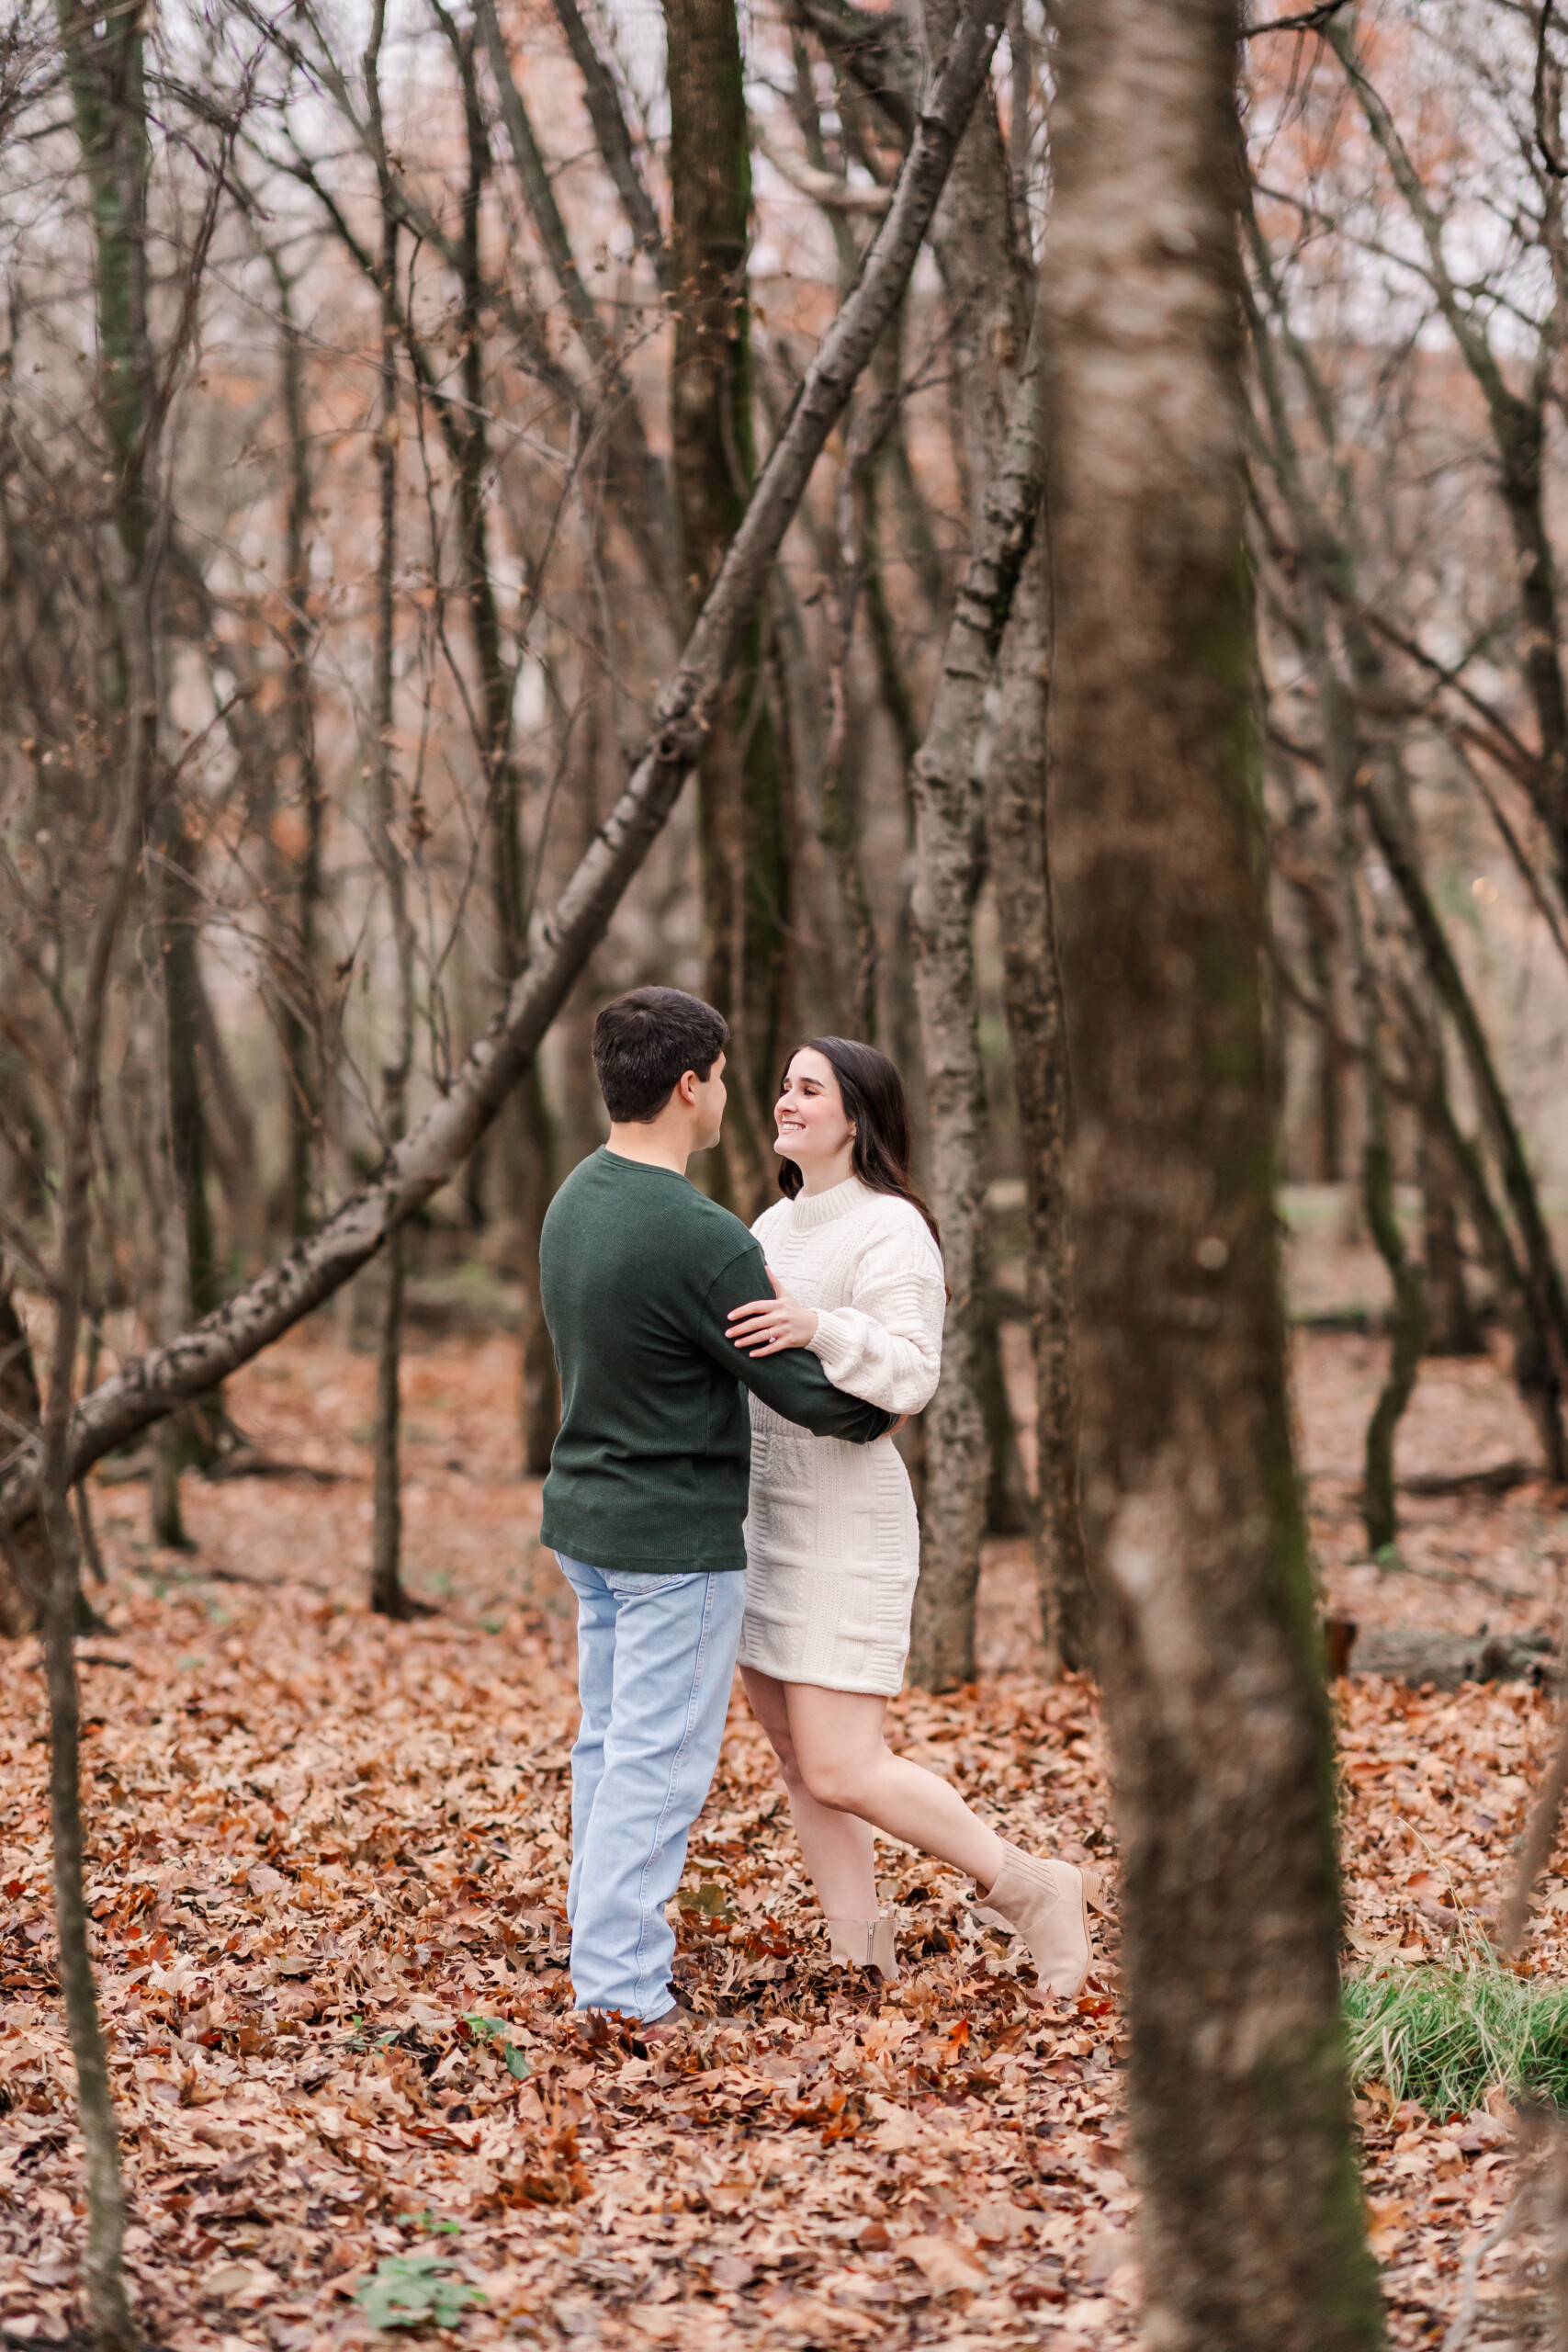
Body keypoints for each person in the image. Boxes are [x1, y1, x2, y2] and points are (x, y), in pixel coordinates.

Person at [537, 989, 897, 2047]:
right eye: (732, 1075)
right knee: (654, 1766)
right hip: (674, 1545)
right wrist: (890, 1382)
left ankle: (600, 1962)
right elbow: (814, 1399)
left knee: (609, 1750)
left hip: (589, 1526)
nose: (737, 1094)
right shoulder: (699, 1235)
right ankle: (619, 1994)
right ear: (691, 1085)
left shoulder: (575, 1197)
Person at [726, 1037, 1095, 1998]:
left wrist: (818, 1325)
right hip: (765, 1518)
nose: (786, 1099)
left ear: (858, 1115)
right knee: (802, 1764)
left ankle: (1034, 1885)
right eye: (783, 1084)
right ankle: (859, 1958)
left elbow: (912, 1372)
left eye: (810, 1087)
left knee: (845, 1763)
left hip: (848, 1518)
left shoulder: (893, 1230)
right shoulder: (768, 1224)